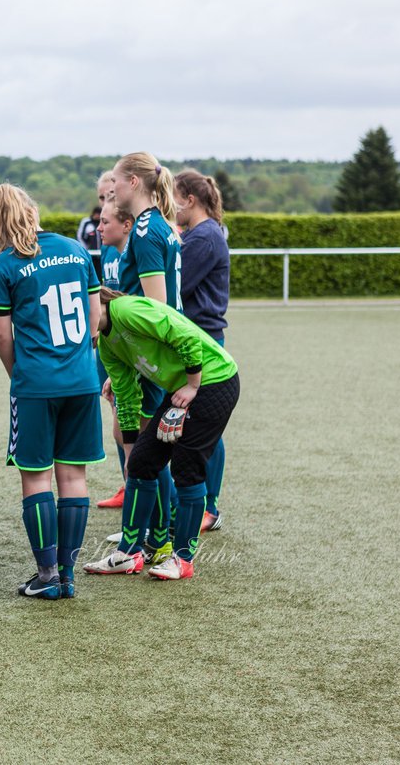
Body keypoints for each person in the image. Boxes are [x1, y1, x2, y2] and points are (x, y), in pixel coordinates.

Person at [0, 184, 103, 600]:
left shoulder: (4, 266)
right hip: (82, 382)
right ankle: (68, 575)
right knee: (73, 477)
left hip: (36, 383)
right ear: (33, 211)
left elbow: (3, 336)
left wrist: (19, 373)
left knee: (36, 478)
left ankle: (47, 574)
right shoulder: (75, 249)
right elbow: (95, 319)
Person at [83, 289, 240, 580]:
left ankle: (182, 560)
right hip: (183, 389)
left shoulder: (127, 310)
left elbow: (186, 335)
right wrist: (130, 451)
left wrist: (193, 385)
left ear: (95, 301)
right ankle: (128, 554)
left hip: (214, 380)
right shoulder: (105, 347)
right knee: (142, 462)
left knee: (186, 468)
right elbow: (127, 397)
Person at [102, 152, 182, 560]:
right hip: (147, 358)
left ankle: (158, 535)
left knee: (144, 450)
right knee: (131, 440)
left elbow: (157, 309)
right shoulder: (157, 226)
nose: (110, 187)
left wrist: (133, 365)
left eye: (115, 179)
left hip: (153, 359)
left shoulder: (148, 230)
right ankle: (154, 533)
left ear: (133, 181)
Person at [174, 169, 231, 532]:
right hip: (200, 339)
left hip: (204, 340)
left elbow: (176, 285)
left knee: (207, 428)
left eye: (174, 198)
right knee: (202, 426)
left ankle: (209, 506)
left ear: (190, 199)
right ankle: (203, 502)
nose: (171, 207)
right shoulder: (202, 234)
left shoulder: (204, 237)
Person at [94, 196, 134, 509]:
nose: (99, 225)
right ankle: (129, 489)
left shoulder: (139, 246)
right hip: (115, 346)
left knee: (137, 439)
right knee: (121, 429)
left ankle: (158, 520)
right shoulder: (109, 248)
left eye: (106, 218)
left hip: (132, 350)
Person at [76, 204, 103, 275]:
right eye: (96, 214)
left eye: (99, 214)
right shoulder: (86, 222)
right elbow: (80, 236)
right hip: (90, 253)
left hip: (102, 253)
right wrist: (84, 250)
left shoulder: (102, 222)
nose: (97, 216)